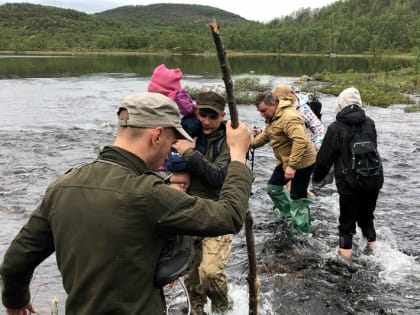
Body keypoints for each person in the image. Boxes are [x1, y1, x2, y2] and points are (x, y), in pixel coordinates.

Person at [0, 92, 253, 315]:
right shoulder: (150, 194)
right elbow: (228, 216)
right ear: (157, 136)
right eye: (171, 140)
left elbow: (15, 262)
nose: (171, 150)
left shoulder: (62, 186)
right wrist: (239, 156)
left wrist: (15, 301)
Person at [172, 91, 232, 314]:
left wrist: (189, 153)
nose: (206, 121)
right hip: (188, 210)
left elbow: (218, 176)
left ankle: (222, 308)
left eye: (212, 117)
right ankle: (196, 310)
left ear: (222, 116)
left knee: (211, 272)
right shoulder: (185, 129)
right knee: (190, 272)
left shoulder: (228, 139)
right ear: (195, 111)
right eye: (202, 115)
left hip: (218, 212)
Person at [312, 87, 381, 259]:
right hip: (374, 179)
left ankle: (345, 263)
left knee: (346, 225)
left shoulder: (336, 128)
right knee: (367, 218)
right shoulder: (370, 122)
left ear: (340, 104)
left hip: (349, 183)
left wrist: (316, 178)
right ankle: (375, 253)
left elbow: (324, 159)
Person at [251, 86, 316, 234]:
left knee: (297, 199)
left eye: (263, 111)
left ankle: (303, 233)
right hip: (286, 161)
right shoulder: (273, 117)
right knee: (273, 188)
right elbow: (266, 135)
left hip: (303, 163)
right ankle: (289, 215)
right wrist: (249, 145)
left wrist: (292, 166)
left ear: (273, 104)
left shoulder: (289, 117)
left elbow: (301, 141)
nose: (262, 115)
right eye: (259, 112)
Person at [147, 63, 205, 192]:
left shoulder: (172, 105)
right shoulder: (183, 104)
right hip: (175, 160)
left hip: (174, 161)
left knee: (178, 184)